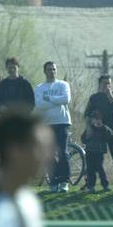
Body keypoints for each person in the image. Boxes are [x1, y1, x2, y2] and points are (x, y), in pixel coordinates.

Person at [84, 75, 113, 191]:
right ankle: (93, 184)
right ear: (99, 84)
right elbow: (87, 114)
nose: (106, 85)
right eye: (104, 83)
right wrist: (88, 127)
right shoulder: (94, 98)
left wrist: (110, 95)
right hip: (97, 133)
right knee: (95, 161)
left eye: (109, 83)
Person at [35, 61, 72, 192]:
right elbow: (39, 105)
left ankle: (64, 182)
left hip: (62, 122)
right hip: (46, 125)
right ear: (45, 71)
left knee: (63, 152)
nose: (52, 72)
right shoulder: (39, 88)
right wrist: (56, 100)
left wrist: (49, 99)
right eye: (49, 69)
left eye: (54, 69)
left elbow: (66, 99)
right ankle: (54, 182)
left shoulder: (63, 84)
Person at [80, 110, 113, 192]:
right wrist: (87, 135)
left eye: (98, 119)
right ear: (92, 120)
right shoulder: (89, 128)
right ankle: (91, 186)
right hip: (89, 151)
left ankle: (105, 185)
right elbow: (83, 139)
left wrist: (103, 127)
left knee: (100, 169)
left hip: (99, 152)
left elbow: (110, 134)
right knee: (90, 170)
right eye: (95, 119)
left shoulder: (104, 128)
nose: (97, 121)